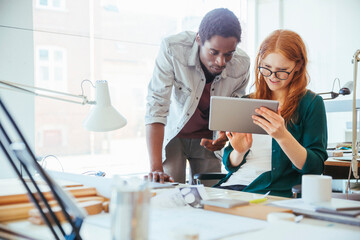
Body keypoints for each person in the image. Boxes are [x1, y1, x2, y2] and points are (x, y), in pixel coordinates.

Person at [215, 29, 328, 197]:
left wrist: (283, 136)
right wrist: (239, 151)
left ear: (298, 66)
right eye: (266, 68)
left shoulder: (311, 104)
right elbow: (230, 164)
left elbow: (314, 167)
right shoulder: (247, 102)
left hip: (266, 191)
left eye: (282, 70)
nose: (272, 76)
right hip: (232, 186)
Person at [145, 8, 250, 184]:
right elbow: (156, 106)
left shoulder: (242, 64)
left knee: (210, 197)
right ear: (199, 39)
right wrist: (155, 168)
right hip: (174, 134)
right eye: (214, 52)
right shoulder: (172, 49)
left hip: (208, 140)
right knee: (171, 192)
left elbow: (233, 112)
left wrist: (223, 138)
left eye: (229, 54)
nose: (221, 62)